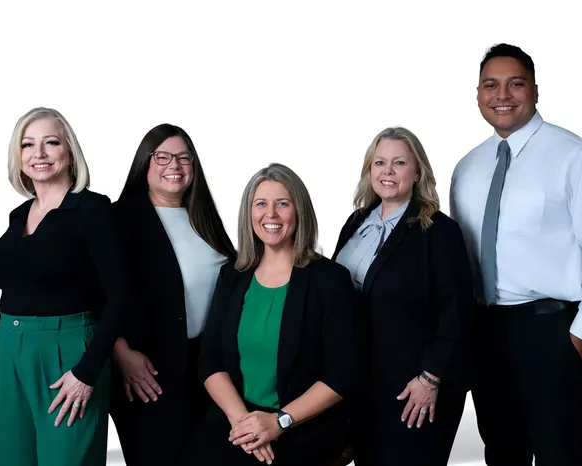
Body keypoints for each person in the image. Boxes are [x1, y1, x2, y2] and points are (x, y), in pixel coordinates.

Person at [450, 43, 582, 465]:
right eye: (490, 85)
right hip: (484, 331)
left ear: (535, 90)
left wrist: (579, 336)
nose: (502, 95)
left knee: (558, 453)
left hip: (550, 329)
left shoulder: (577, 156)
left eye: (515, 84)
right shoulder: (467, 167)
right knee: (502, 452)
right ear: (477, 94)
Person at [0, 107, 128, 466]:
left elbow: (121, 294)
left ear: (70, 152)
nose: (39, 153)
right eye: (28, 144)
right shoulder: (19, 214)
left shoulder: (92, 209)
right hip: (6, 351)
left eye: (51, 142)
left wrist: (88, 369)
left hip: (68, 354)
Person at [192, 163, 361, 466]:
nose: (270, 214)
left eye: (282, 203)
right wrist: (245, 425)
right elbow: (210, 360)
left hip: (302, 427)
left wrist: (277, 422)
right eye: (261, 204)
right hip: (237, 421)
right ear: (249, 213)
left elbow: (343, 373)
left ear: (299, 211)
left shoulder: (329, 280)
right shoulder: (233, 276)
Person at [332, 127, 473, 465]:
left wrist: (430, 377)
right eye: (379, 162)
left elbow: (458, 313)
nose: (388, 171)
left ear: (417, 172)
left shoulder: (439, 231)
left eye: (399, 163)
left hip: (414, 388)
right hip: (362, 384)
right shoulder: (356, 222)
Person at [108, 123, 236, 465]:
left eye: (183, 157)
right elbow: (94, 292)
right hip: (147, 371)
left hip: (206, 369)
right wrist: (121, 352)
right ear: (144, 163)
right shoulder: (120, 218)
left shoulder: (204, 217)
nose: (174, 166)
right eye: (162, 156)